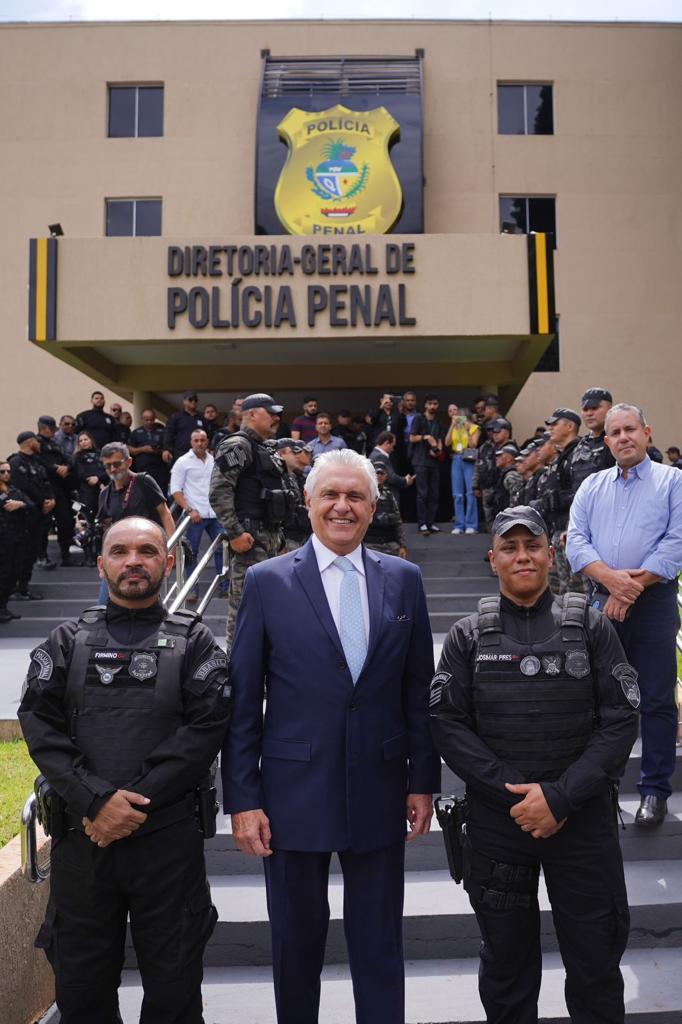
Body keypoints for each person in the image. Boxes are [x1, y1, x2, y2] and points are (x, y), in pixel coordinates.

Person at [224, 448, 440, 1024]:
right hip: (292, 794)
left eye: (355, 497)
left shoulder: (405, 580)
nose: (342, 506)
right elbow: (243, 702)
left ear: (373, 507)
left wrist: (424, 781)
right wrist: (243, 800)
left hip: (381, 788)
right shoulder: (268, 582)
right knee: (295, 946)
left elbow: (418, 690)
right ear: (309, 503)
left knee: (379, 945)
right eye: (330, 495)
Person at [430, 505, 639, 1024]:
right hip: (500, 826)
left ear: (551, 554)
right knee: (506, 970)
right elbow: (447, 724)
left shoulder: (592, 628)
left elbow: (620, 722)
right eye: (509, 548)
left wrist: (562, 796)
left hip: (582, 819)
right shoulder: (465, 637)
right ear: (492, 559)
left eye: (532, 546)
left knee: (595, 965)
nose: (522, 556)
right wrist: (520, 797)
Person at [18, 516, 231, 1024]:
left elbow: (203, 732)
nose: (133, 561)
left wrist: (125, 807)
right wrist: (95, 802)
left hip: (167, 845)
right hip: (82, 845)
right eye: (120, 551)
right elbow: (40, 727)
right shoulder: (66, 642)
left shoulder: (196, 643)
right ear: (102, 563)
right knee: (82, 992)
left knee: (175, 991)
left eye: (147, 550)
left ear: (169, 561)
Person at [567, 402, 682, 827]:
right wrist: (613, 583)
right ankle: (604, 789)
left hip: (652, 604)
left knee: (654, 699)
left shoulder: (673, 482)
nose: (623, 438)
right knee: (602, 699)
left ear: (647, 432)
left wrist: (631, 588)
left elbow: (677, 542)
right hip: (603, 602)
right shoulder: (593, 486)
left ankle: (654, 791)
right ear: (606, 440)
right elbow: (576, 542)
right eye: (614, 433)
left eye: (630, 429)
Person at [209, 393, 287, 651]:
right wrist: (234, 533)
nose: (277, 418)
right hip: (250, 541)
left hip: (271, 540)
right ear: (252, 414)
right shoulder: (238, 445)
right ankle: (237, 672)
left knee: (271, 610)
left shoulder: (264, 447)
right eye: (271, 412)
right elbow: (219, 491)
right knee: (245, 609)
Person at [170, 429, 227, 601]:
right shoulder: (182, 462)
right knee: (191, 553)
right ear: (191, 442)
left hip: (214, 513)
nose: (199, 443)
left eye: (202, 440)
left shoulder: (213, 460)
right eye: (196, 440)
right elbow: (175, 491)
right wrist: (189, 509)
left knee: (222, 550)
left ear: (207, 441)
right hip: (194, 515)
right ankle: (191, 590)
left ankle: (224, 588)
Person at [542, 407, 584, 594]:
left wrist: (570, 526)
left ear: (569, 426)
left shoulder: (579, 453)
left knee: (577, 590)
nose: (550, 428)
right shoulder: (563, 457)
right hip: (558, 528)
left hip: (572, 529)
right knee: (564, 590)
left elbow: (581, 494)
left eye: (555, 424)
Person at [8, 431, 54, 599]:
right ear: (29, 443)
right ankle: (15, 589)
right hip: (26, 516)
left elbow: (46, 483)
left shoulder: (37, 462)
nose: (40, 444)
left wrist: (51, 499)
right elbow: (22, 488)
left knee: (33, 552)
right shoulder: (15, 462)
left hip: (40, 515)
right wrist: (41, 503)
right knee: (22, 553)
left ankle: (24, 588)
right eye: (37, 441)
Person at [36, 414, 76, 566]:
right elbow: (39, 462)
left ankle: (65, 555)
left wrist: (66, 467)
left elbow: (68, 459)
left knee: (65, 521)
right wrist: (55, 468)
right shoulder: (36, 443)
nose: (54, 431)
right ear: (44, 428)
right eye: (52, 429)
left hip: (60, 488)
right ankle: (42, 556)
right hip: (46, 488)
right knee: (44, 524)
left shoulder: (55, 443)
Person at [0, 460, 33, 622]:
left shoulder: (15, 489)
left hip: (17, 536)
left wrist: (20, 504)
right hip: (3, 538)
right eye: (2, 472)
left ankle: (3, 607)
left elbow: (31, 505)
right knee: (3, 574)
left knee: (14, 573)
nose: (6, 474)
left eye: (8, 471)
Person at [569, 387, 615, 495]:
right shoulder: (580, 445)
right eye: (585, 410)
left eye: (594, 408)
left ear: (610, 409)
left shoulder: (618, 441)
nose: (589, 413)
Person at [409, 393, 444, 534]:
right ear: (425, 405)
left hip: (434, 462)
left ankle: (431, 522)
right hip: (420, 460)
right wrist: (427, 437)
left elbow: (440, 440)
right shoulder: (418, 418)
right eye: (430, 404)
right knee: (422, 493)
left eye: (435, 404)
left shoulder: (438, 422)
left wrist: (438, 451)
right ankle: (422, 523)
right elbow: (412, 438)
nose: (432, 406)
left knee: (434, 494)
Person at [445, 404, 480, 534]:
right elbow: (447, 443)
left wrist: (466, 429)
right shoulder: (455, 427)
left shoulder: (474, 428)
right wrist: (452, 425)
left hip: (468, 458)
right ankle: (459, 524)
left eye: (461, 417)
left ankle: (471, 524)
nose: (458, 419)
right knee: (457, 494)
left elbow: (473, 444)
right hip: (456, 458)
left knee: (470, 492)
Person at [364, 459, 408, 559]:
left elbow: (397, 521)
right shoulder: (364, 494)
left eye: (381, 473)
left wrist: (402, 545)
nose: (379, 476)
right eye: (376, 473)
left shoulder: (389, 495)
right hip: (370, 544)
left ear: (386, 476)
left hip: (390, 545)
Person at [276, 437, 313, 552]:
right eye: (293, 452)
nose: (297, 456)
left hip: (301, 534)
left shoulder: (298, 477)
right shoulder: (277, 477)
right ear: (281, 454)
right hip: (287, 536)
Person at [129, 409, 170, 493]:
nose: (149, 422)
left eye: (151, 419)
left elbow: (168, 448)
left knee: (160, 493)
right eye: (146, 420)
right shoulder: (136, 432)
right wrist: (143, 449)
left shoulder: (162, 431)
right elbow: (129, 450)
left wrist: (158, 451)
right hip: (142, 469)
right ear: (142, 419)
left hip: (159, 469)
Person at [369, 430, 415, 502]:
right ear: (387, 443)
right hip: (384, 499)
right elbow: (390, 477)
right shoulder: (380, 457)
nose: (393, 449)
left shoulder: (374, 455)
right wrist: (405, 480)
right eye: (393, 446)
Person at [163, 391, 205, 464]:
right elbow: (168, 434)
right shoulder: (176, 417)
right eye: (190, 399)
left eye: (195, 400)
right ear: (184, 401)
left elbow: (207, 435)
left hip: (198, 453)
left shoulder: (202, 418)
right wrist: (167, 449)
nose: (193, 401)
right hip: (180, 454)